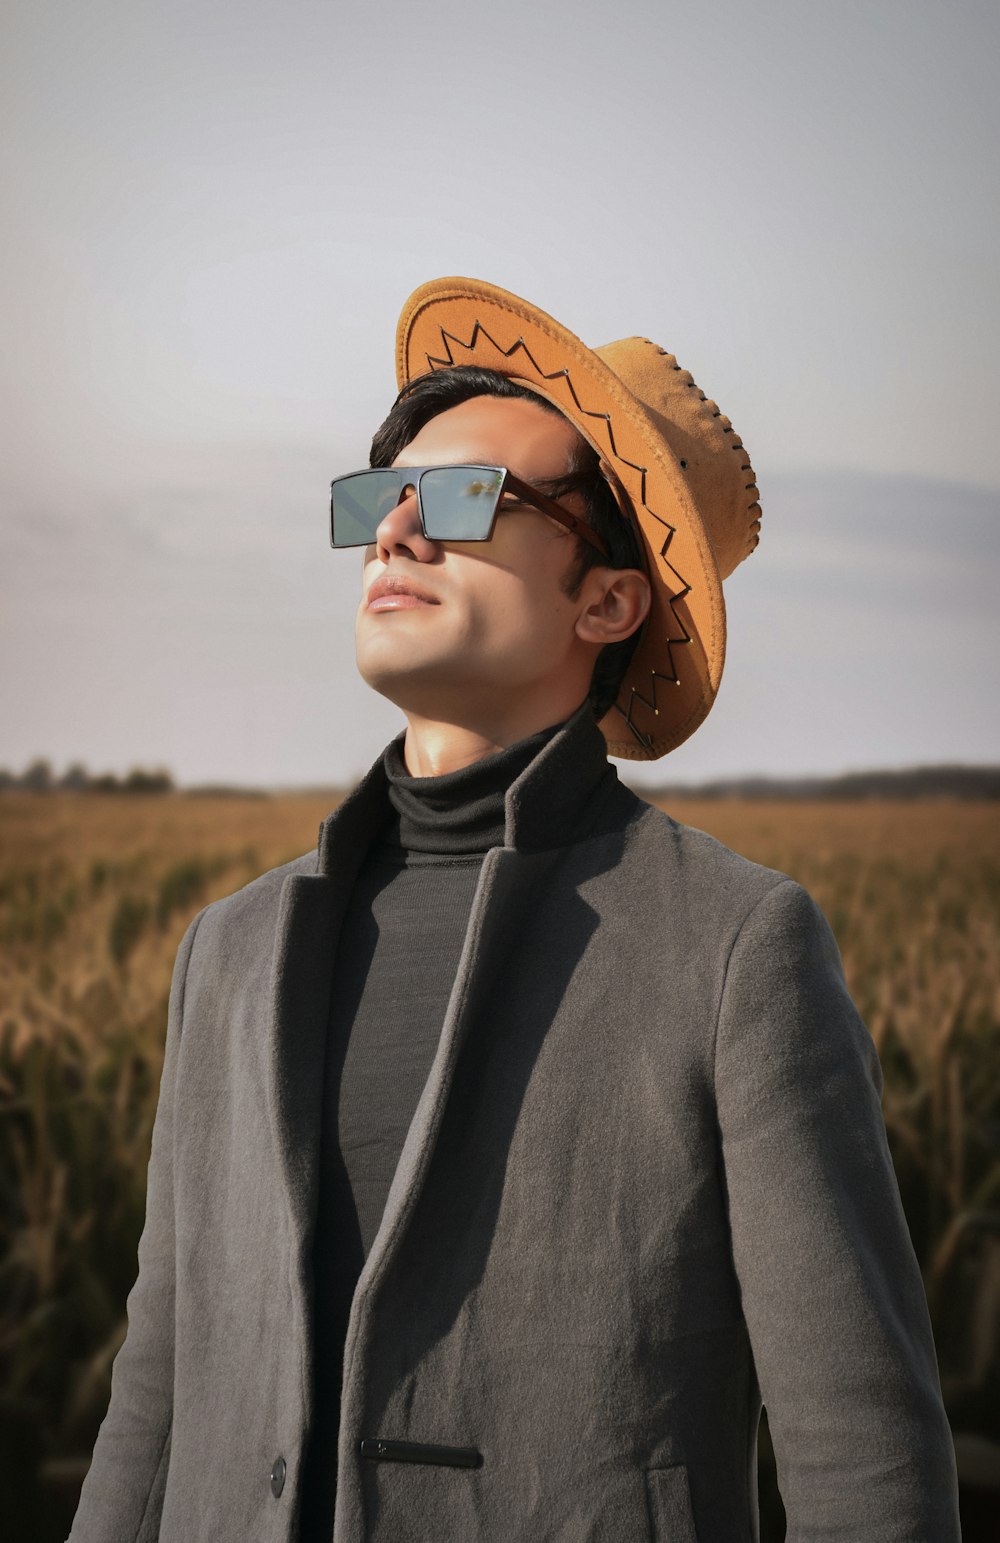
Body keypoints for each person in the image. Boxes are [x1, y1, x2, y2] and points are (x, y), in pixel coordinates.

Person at [69, 277, 961, 1542]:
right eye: (380, 501)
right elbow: (152, 1401)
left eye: (465, 498)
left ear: (605, 602)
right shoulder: (232, 947)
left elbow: (860, 1457)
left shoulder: (734, 946)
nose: (397, 534)